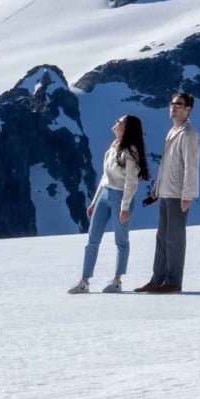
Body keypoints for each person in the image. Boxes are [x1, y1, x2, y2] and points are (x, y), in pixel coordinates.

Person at [68, 114, 149, 294]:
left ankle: (117, 281)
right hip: (105, 194)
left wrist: (125, 207)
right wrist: (94, 202)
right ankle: (84, 281)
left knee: (121, 240)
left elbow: (131, 182)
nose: (116, 123)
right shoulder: (113, 147)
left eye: (120, 122)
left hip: (120, 196)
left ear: (126, 129)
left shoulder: (130, 151)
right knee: (92, 238)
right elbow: (105, 177)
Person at [135, 92, 200, 294]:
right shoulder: (173, 131)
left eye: (178, 104)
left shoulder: (189, 134)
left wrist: (187, 194)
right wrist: (156, 189)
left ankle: (173, 281)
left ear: (188, 109)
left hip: (177, 194)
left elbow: (191, 167)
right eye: (172, 103)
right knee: (162, 237)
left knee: (174, 238)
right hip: (166, 192)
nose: (173, 107)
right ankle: (157, 279)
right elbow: (166, 165)